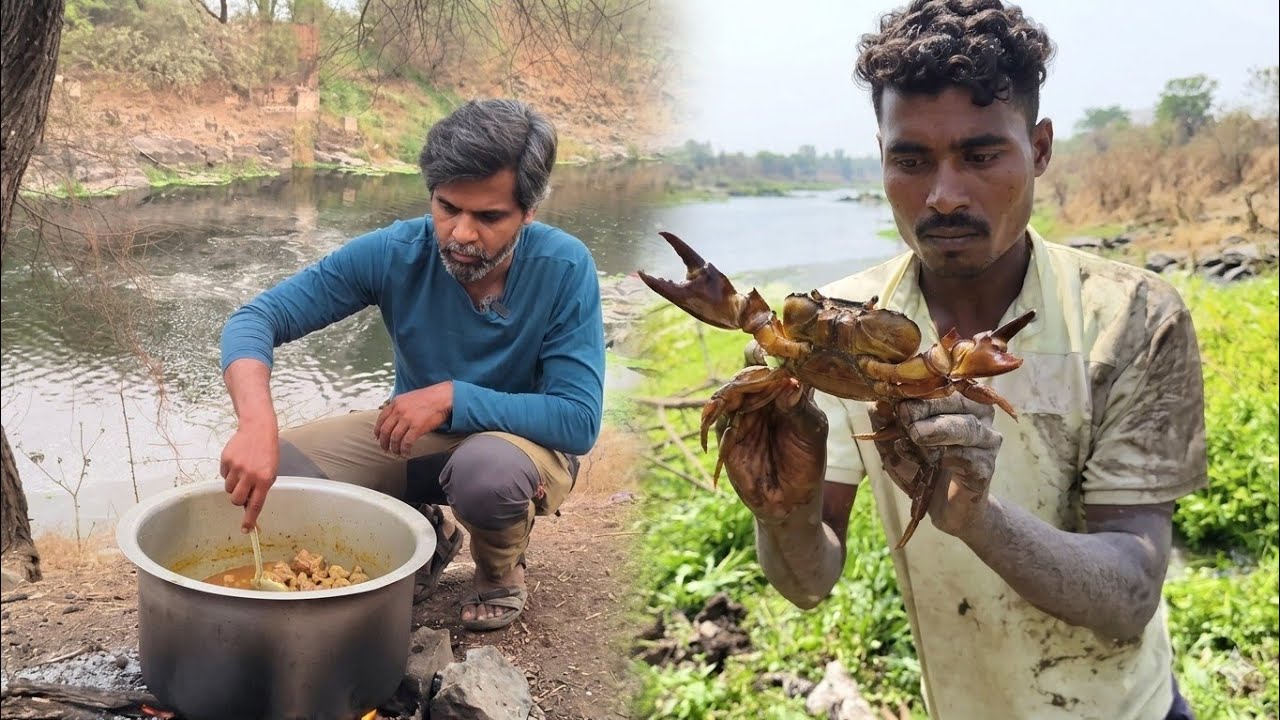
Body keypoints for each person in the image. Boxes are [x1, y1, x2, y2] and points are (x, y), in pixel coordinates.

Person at [717, 2, 1205, 718]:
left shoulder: (1129, 317)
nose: (943, 196)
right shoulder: (833, 331)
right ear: (881, 156)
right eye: (910, 160)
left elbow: (1131, 592)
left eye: (980, 155)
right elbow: (807, 582)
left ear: (1039, 148)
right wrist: (780, 512)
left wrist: (978, 517)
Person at [216, 98, 605, 632]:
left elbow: (577, 421)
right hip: (421, 436)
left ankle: (499, 572)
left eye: (489, 217)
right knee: (283, 472)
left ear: (528, 212)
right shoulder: (395, 252)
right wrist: (257, 424)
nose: (462, 234)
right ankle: (422, 534)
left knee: (485, 473)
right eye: (447, 208)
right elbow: (256, 319)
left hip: (523, 448)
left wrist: (453, 396)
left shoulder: (564, 266)